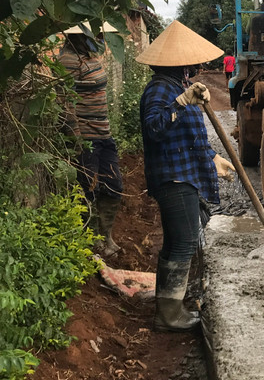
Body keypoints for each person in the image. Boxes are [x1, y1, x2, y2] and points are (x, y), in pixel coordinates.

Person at [136, 21, 236, 332]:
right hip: (173, 178)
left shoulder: (179, 86)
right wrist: (180, 103)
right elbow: (154, 129)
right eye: (190, 62)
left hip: (185, 174)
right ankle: (168, 314)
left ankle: (173, 302)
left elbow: (190, 134)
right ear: (180, 63)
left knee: (182, 240)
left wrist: (212, 156)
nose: (195, 66)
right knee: (182, 242)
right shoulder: (160, 89)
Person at [59, 22, 123, 257]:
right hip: (86, 138)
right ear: (78, 36)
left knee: (114, 186)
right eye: (93, 34)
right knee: (87, 190)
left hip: (103, 134)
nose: (98, 37)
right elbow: (64, 103)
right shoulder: (67, 60)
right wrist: (76, 140)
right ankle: (87, 245)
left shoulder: (90, 55)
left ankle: (105, 237)